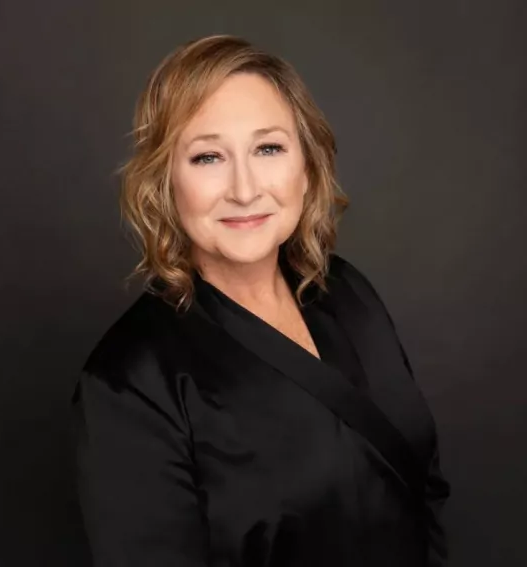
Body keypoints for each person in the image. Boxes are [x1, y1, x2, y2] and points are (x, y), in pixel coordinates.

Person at [72, 34, 450, 567]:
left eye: (268, 148)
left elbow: (422, 488)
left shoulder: (345, 291)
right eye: (208, 157)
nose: (245, 189)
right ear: (164, 181)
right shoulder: (128, 381)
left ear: (307, 165)